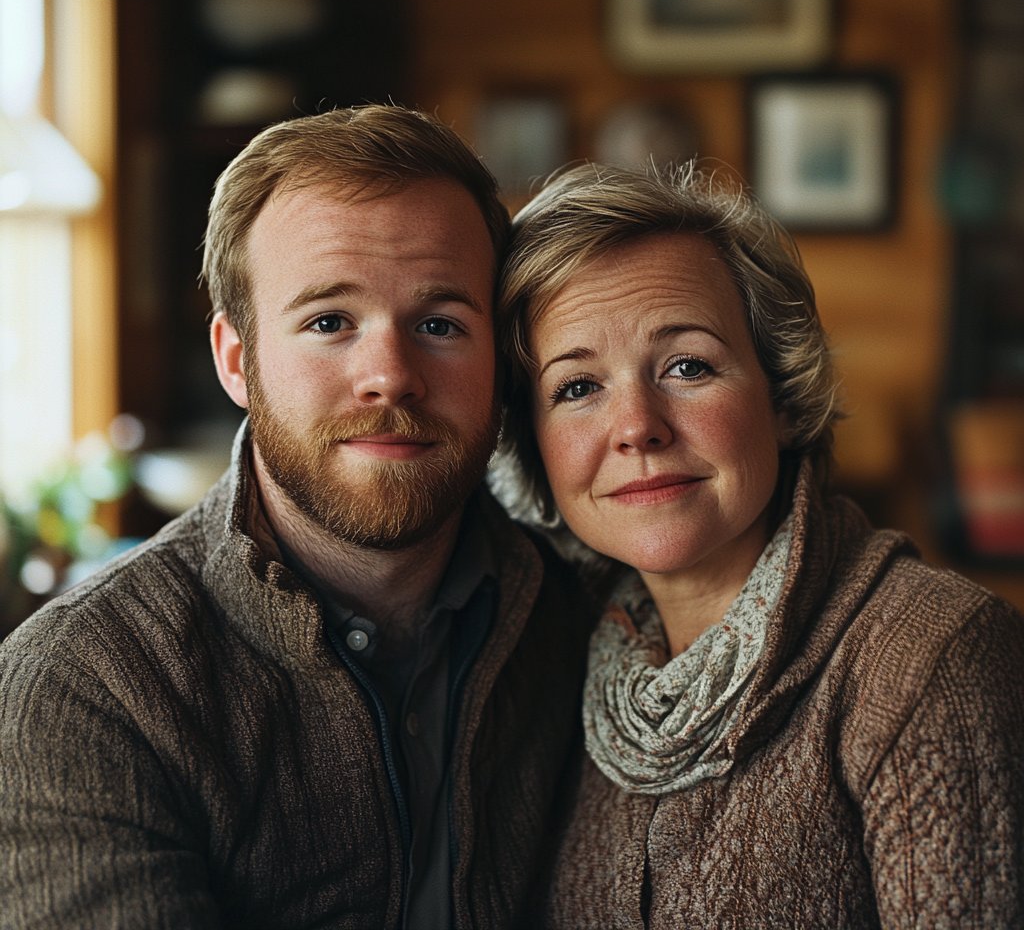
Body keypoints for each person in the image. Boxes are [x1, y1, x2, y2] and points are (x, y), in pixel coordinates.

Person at [0, 105, 593, 930]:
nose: (390, 375)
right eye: (328, 322)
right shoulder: (83, 687)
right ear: (236, 360)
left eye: (439, 324)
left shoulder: (585, 613)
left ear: (501, 357)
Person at [495, 161, 1024, 928]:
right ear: (535, 447)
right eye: (577, 387)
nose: (636, 426)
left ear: (782, 395)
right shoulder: (549, 662)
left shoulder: (930, 659)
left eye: (688, 366)